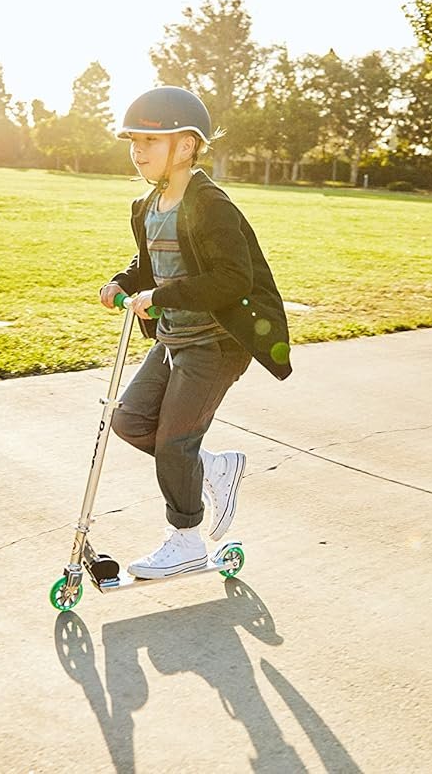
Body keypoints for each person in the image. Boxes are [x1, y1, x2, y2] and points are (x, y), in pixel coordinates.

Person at [98, 86, 293, 579]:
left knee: (174, 440)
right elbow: (150, 265)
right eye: (133, 141)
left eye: (149, 140)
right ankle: (216, 467)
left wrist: (160, 298)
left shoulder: (211, 205)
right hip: (173, 340)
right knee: (129, 421)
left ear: (186, 146)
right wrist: (123, 283)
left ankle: (185, 540)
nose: (137, 151)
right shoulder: (148, 206)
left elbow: (233, 279)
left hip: (216, 342)